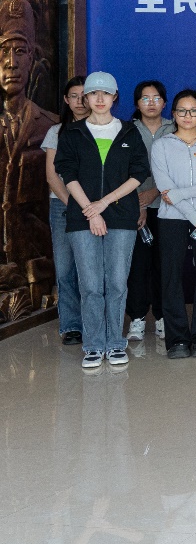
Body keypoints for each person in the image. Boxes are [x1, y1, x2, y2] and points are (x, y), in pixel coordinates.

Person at [55, 72, 153, 370]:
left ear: (114, 97)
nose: (99, 99)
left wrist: (105, 203)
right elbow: (67, 174)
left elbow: (139, 173)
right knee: (91, 285)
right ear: (85, 98)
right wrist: (91, 210)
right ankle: (94, 345)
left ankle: (115, 344)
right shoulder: (72, 133)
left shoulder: (129, 132)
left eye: (105, 93)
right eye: (93, 93)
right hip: (82, 218)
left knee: (117, 283)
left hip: (121, 217)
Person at [149, 89, 196, 359]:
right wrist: (193, 216)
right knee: (171, 277)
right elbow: (164, 186)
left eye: (193, 111)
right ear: (174, 114)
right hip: (173, 219)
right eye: (182, 110)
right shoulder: (162, 145)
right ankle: (177, 339)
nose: (187, 115)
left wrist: (181, 197)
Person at [125, 80, 172, 342]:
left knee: (165, 265)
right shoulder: (127, 130)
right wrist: (138, 204)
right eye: (145, 98)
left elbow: (180, 169)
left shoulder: (175, 127)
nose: (151, 103)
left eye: (156, 98)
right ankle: (137, 318)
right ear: (137, 103)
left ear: (164, 102)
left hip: (168, 207)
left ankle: (164, 316)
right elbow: (121, 170)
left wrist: (154, 193)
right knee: (138, 266)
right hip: (135, 208)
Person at [43, 75, 87, 345]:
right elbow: (52, 175)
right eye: (74, 96)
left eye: (85, 95)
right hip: (63, 205)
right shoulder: (56, 132)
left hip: (97, 205)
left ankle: (95, 322)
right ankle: (71, 325)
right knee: (66, 266)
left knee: (93, 268)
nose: (80, 101)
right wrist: (74, 204)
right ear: (66, 100)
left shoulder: (104, 129)